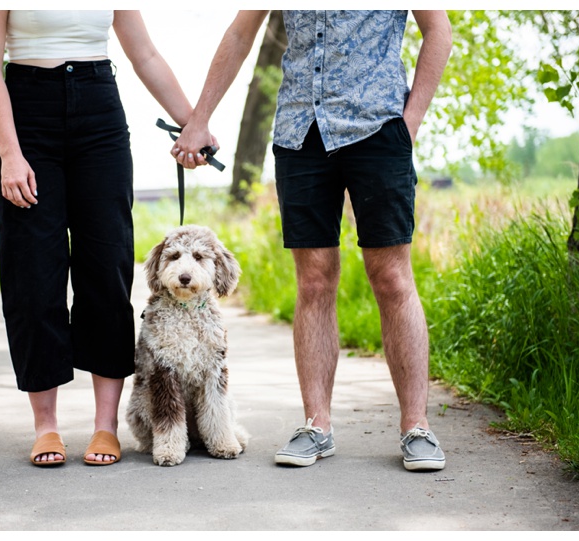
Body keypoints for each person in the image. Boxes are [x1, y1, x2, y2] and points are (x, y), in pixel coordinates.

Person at [173, 10, 452, 471]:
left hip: (379, 129)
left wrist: (411, 122)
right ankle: (316, 426)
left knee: (391, 277)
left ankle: (416, 427)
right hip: (301, 132)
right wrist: (200, 118)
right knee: (314, 281)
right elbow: (242, 31)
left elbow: (438, 31)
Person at [0, 10, 208, 467]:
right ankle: (47, 427)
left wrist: (190, 123)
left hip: (99, 112)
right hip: (27, 114)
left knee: (107, 269)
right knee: (33, 275)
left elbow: (146, 54)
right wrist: (10, 154)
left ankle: (106, 426)